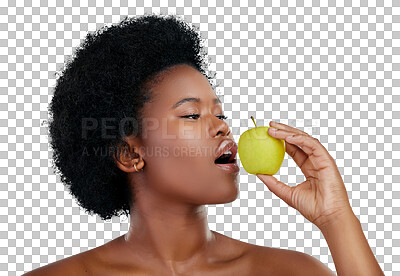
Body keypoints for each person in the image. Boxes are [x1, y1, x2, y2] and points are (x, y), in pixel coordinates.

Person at [23, 13, 384, 275]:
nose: (222, 130)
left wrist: (336, 219)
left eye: (221, 115)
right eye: (192, 116)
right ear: (130, 153)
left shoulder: (290, 271)